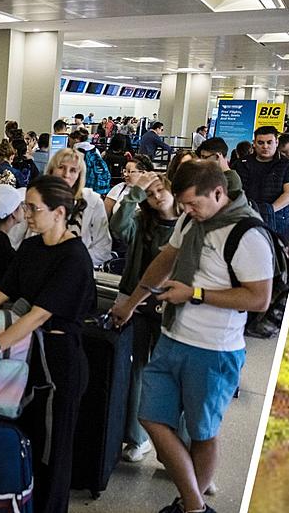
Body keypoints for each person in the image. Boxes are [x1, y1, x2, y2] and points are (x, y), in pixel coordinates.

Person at [110, 160, 273, 513]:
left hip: (214, 351)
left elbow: (259, 298)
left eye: (193, 204)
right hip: (173, 336)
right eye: (183, 205)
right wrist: (132, 302)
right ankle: (195, 505)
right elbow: (165, 261)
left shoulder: (247, 235)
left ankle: (189, 506)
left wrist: (195, 294)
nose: (186, 211)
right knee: (151, 416)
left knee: (202, 433)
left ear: (218, 193)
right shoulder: (190, 220)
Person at [0, 175, 94, 513]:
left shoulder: (74, 258)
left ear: (59, 212)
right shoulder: (31, 246)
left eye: (32, 208)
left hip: (60, 364)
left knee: (53, 453)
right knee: (29, 440)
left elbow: (38, 315)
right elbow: (2, 293)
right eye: (25, 206)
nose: (25, 213)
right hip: (28, 361)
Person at [108, 171, 178, 462]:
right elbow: (118, 227)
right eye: (151, 194)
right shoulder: (141, 221)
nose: (156, 197)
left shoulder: (188, 226)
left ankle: (174, 446)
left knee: (170, 374)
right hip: (135, 304)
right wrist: (135, 192)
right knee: (137, 369)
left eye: (161, 190)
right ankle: (137, 438)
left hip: (171, 305)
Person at [38, 148, 112, 267]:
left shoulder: (92, 202)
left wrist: (71, 263)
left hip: (76, 270)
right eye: (61, 167)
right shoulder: (37, 198)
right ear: (51, 170)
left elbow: (103, 248)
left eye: (73, 170)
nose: (66, 175)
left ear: (79, 175)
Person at [234, 126, 289, 241]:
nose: (265, 146)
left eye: (269, 142)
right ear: (254, 143)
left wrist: (268, 211)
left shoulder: (287, 164)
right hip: (245, 217)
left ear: (276, 142)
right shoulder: (241, 164)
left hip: (276, 220)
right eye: (260, 143)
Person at [72, 128, 111, 196]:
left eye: (69, 141)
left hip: (85, 183)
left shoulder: (77, 151)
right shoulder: (95, 149)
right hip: (98, 184)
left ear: (76, 140)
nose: (69, 143)